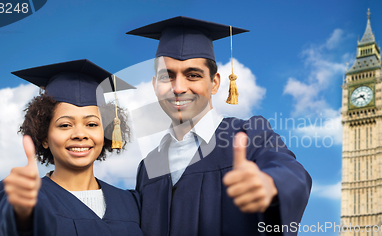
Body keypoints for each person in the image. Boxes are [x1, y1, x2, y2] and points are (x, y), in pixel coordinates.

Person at [127, 16, 312, 235]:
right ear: (155, 85)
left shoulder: (249, 136)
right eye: (167, 76)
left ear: (214, 83)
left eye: (192, 75)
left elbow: (292, 172)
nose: (178, 88)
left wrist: (270, 185)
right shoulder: (148, 167)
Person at [0, 59, 143, 236]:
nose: (80, 134)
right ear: (44, 137)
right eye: (65, 125)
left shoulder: (131, 203)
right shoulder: (29, 196)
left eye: (91, 124)